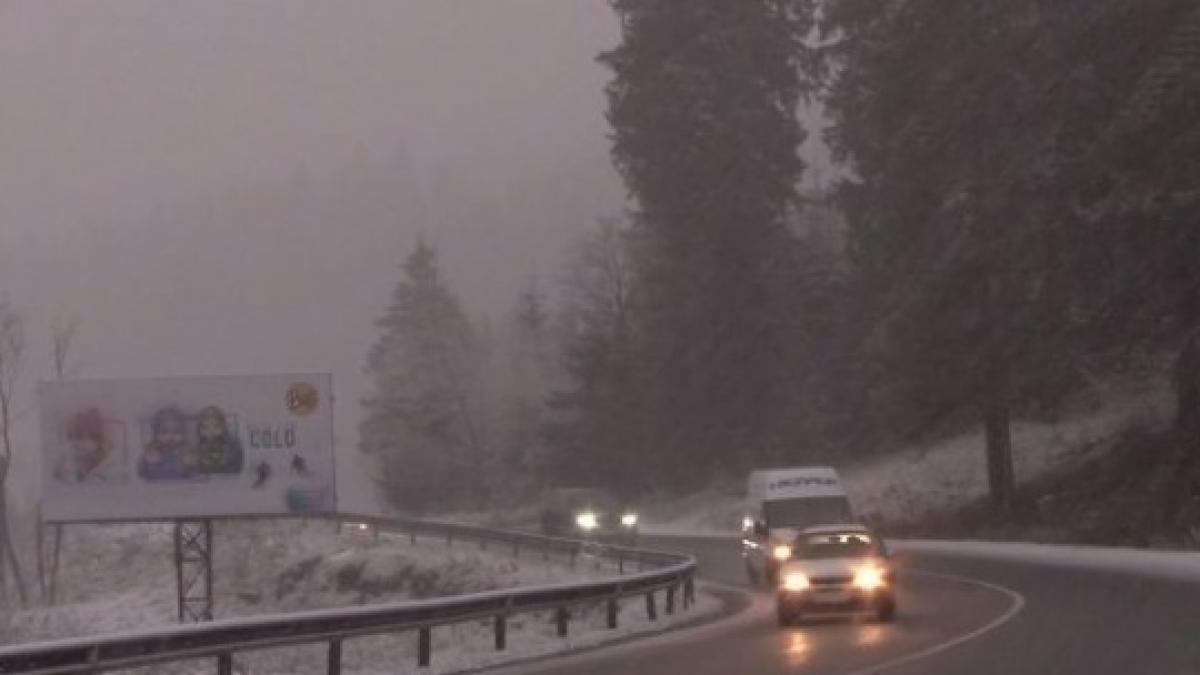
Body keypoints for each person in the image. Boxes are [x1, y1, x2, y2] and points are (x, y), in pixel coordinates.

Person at [138, 407, 194, 481]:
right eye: (164, 432)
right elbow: (141, 473)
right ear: (156, 434)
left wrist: (190, 465)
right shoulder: (152, 450)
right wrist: (146, 462)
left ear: (184, 434)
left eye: (177, 432)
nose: (171, 437)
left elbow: (194, 476)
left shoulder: (186, 451)